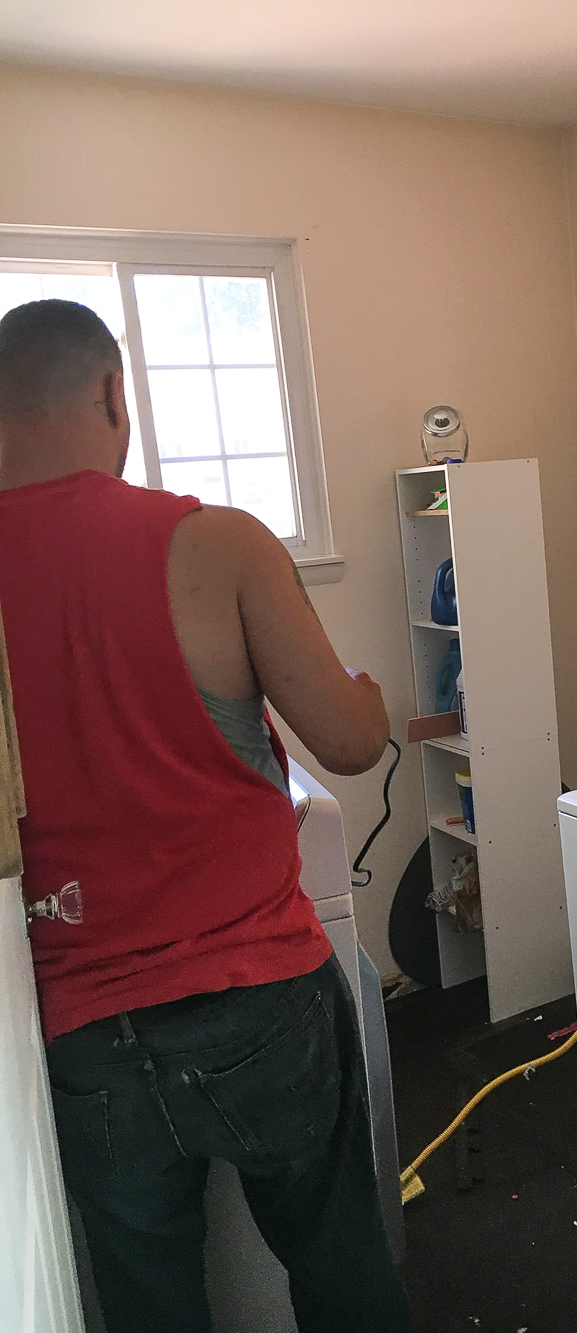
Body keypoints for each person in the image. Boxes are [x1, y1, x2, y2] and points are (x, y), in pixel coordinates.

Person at [0, 299, 410, 1333]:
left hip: (75, 1020)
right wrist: (362, 685)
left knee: (148, 1305)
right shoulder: (212, 542)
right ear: (108, 392)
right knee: (339, 1259)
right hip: (258, 994)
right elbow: (352, 741)